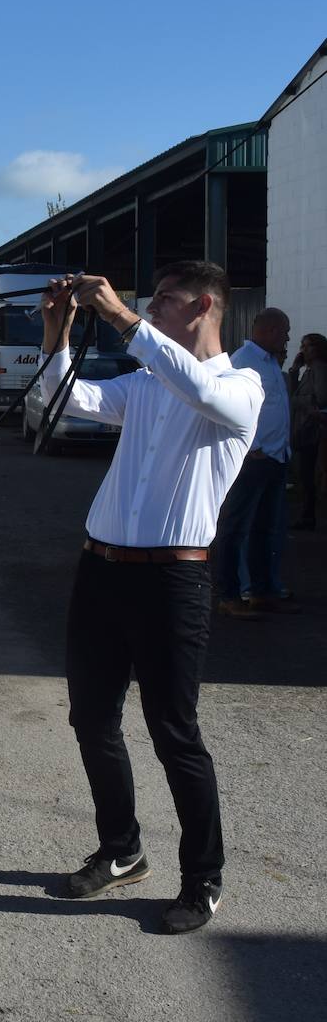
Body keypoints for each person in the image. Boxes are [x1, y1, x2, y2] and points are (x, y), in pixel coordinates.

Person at [37, 261, 263, 934]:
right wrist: (57, 332)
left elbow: (198, 386)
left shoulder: (241, 386)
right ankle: (122, 849)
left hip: (172, 581)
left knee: (174, 731)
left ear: (203, 306)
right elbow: (67, 401)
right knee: (91, 718)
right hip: (101, 570)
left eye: (165, 298)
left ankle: (204, 878)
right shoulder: (145, 383)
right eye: (150, 299)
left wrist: (119, 315)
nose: (151, 305)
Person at [214, 309, 297, 618]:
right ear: (271, 330)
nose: (287, 338)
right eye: (285, 332)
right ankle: (229, 595)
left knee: (265, 529)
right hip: (253, 461)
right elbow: (228, 408)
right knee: (236, 528)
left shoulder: (270, 362)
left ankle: (262, 593)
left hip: (276, 458)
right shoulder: (243, 361)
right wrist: (253, 448)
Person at [289, 332, 327, 529]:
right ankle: (307, 514)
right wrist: (294, 370)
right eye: (302, 346)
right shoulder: (309, 370)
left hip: (313, 430)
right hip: (304, 428)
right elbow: (293, 392)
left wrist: (299, 401)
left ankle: (308, 516)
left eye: (307, 346)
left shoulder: (319, 369)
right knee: (304, 474)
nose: (303, 350)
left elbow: (321, 398)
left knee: (308, 474)